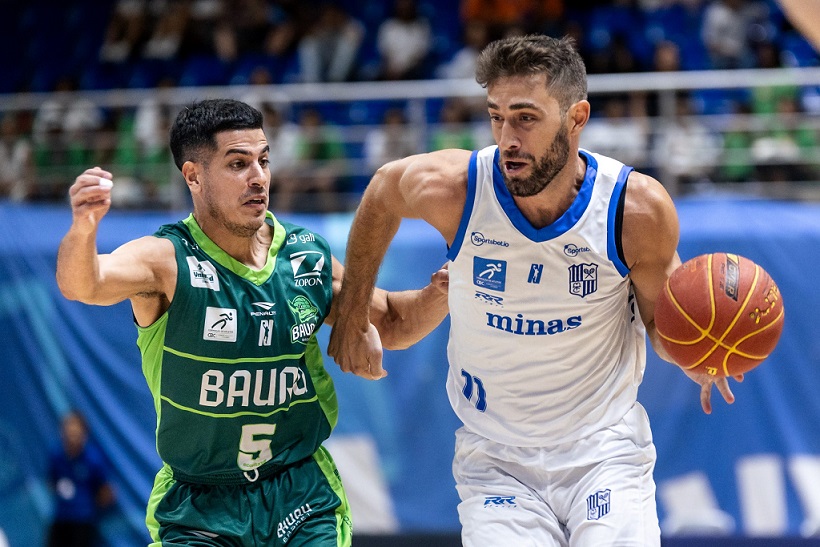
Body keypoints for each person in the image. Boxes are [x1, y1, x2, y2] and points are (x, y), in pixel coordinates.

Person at [328, 35, 742, 546]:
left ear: (576, 117)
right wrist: (351, 314)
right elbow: (383, 191)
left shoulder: (635, 211)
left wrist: (692, 351)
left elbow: (659, 323)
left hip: (603, 450)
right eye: (496, 116)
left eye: (525, 117)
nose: (507, 137)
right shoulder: (458, 189)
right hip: (497, 461)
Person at [55, 98, 449, 546]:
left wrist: (443, 291)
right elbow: (83, 284)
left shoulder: (304, 257)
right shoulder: (166, 259)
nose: (258, 177)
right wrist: (83, 229)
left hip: (299, 492)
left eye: (263, 160)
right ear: (194, 176)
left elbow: (393, 321)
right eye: (238, 164)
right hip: (199, 505)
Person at [47, 411, 115, 547]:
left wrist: (87, 506)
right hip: (61, 519)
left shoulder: (94, 459)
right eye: (69, 433)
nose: (72, 437)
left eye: (76, 433)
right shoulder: (56, 456)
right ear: (63, 433)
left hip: (84, 523)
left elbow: (107, 492)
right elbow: (51, 481)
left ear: (84, 434)